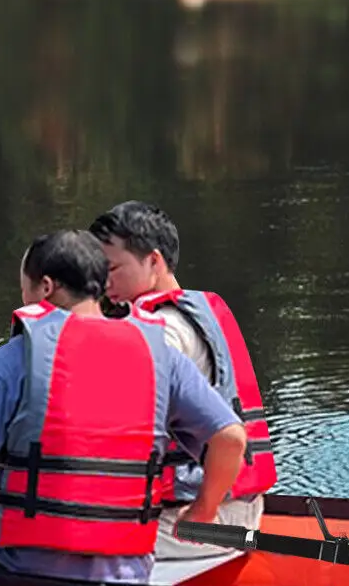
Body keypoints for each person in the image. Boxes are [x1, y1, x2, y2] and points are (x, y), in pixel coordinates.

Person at [0, 230, 248, 584]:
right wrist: (203, 510)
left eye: (25, 287)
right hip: (126, 569)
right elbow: (230, 437)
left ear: (46, 287)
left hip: (19, 563)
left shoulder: (16, 358)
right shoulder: (161, 355)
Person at [90, 201, 277, 560]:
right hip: (237, 507)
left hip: (200, 517)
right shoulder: (189, 312)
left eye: (113, 268)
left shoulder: (161, 331)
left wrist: (204, 511)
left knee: (51, 534)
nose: (103, 282)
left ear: (154, 261)